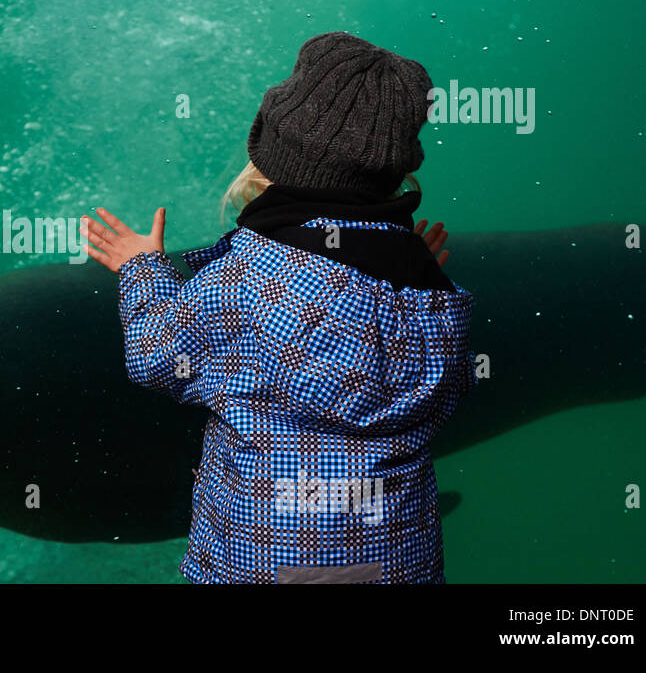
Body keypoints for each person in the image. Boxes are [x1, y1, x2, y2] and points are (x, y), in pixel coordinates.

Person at [79, 31, 477, 584]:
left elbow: (159, 357)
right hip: (395, 562)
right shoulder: (437, 299)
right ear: (396, 172)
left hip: (264, 557)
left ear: (267, 151)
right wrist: (408, 273)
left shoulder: (247, 278)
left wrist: (141, 268)